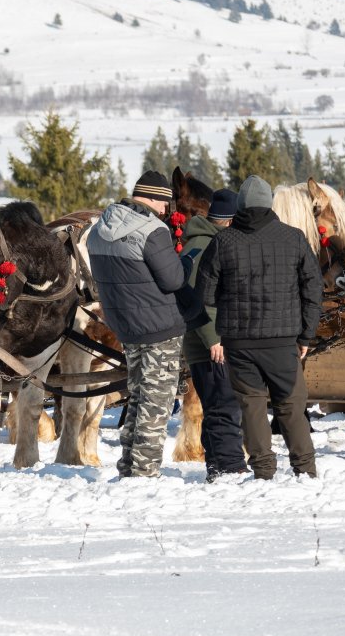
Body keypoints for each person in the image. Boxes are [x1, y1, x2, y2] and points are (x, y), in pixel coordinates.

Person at [197, 175, 321, 480]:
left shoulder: (222, 241)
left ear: (240, 206)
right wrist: (306, 334)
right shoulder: (293, 238)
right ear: (270, 204)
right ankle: (305, 468)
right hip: (283, 341)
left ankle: (263, 469)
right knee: (291, 405)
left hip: (239, 343)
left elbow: (205, 295)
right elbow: (313, 288)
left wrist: (217, 332)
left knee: (251, 406)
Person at [86, 170, 190, 478]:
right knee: (156, 402)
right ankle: (144, 473)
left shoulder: (100, 228)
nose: (165, 211)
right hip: (160, 326)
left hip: (126, 325)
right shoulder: (152, 230)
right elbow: (173, 279)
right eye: (164, 204)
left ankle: (129, 465)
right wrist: (186, 260)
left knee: (139, 397)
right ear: (155, 198)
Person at [179, 188, 248, 480]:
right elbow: (198, 299)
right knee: (225, 404)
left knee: (214, 404)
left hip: (202, 343)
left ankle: (217, 462)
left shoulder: (196, 244)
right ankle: (230, 465)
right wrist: (214, 339)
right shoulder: (208, 247)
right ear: (231, 222)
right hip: (210, 343)